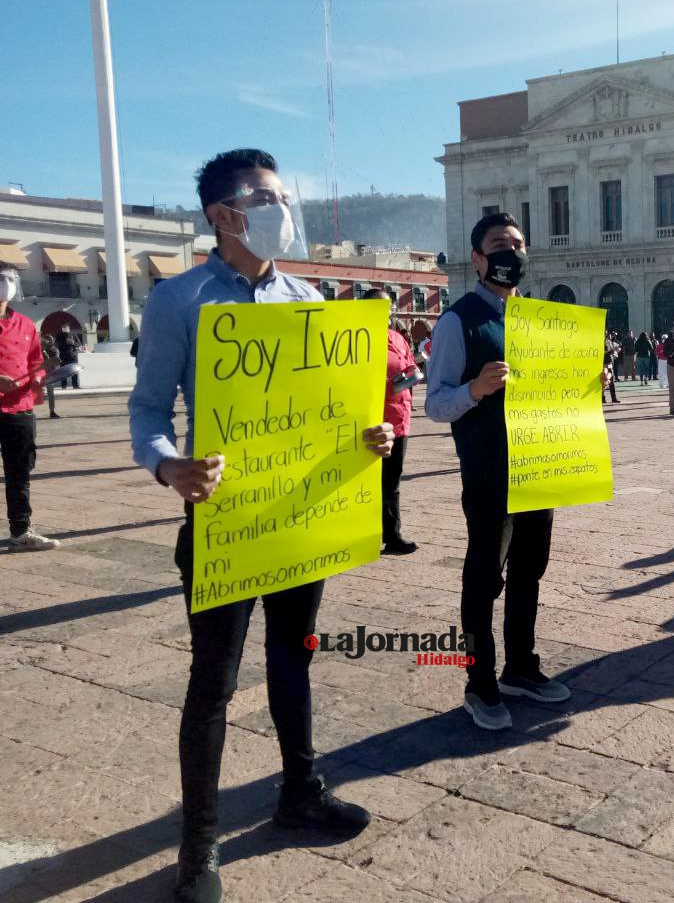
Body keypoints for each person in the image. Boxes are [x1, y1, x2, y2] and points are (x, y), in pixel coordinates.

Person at [129, 149, 389, 903]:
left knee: (294, 658)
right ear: (223, 214)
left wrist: (370, 439)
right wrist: (168, 465)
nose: (284, 210)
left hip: (299, 522)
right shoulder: (181, 302)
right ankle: (198, 845)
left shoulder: (306, 298)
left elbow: (339, 413)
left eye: (284, 196)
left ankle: (299, 791)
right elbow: (147, 409)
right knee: (212, 683)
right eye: (269, 197)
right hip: (223, 525)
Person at [426, 211, 578, 731]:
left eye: (517, 243)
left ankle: (520, 666)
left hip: (538, 466)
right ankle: (479, 681)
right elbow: (435, 403)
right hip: (489, 472)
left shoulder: (537, 319)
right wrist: (476, 389)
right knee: (483, 577)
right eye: (499, 244)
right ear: (477, 258)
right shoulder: (458, 320)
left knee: (530, 571)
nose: (511, 252)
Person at [0, 264, 59, 552]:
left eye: (10, 279)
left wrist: (37, 376)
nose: (6, 285)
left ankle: (21, 530)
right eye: (1, 279)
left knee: (19, 472)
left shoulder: (25, 324)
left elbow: (36, 361)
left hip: (19, 409)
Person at [363, 288, 419, 556]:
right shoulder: (360, 339)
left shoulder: (397, 337)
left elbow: (408, 367)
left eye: (388, 308)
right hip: (373, 421)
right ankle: (365, 533)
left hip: (401, 418)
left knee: (392, 479)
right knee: (370, 480)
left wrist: (414, 373)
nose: (385, 313)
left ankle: (392, 535)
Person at [40, 334, 61, 419]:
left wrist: (47, 359)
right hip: (39, 373)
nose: (47, 341)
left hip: (49, 374)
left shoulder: (54, 350)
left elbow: (56, 361)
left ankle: (52, 411)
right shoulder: (39, 349)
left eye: (49, 340)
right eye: (46, 339)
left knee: (50, 393)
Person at [603, 332, 621, 404]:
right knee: (604, 381)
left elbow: (610, 351)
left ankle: (613, 398)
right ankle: (602, 398)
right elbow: (602, 352)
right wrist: (611, 351)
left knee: (611, 381)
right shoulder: (600, 342)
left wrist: (615, 351)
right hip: (604, 363)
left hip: (610, 362)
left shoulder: (608, 342)